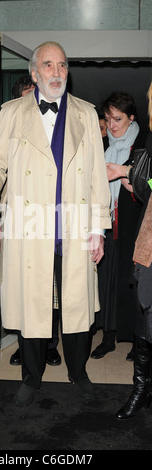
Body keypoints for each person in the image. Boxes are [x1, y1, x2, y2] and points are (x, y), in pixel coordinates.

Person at [0, 41, 111, 407]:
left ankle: (78, 371)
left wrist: (99, 229)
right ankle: (31, 377)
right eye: (48, 65)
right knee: (33, 305)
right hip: (30, 227)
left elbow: (98, 177)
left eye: (62, 65)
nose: (56, 72)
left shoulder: (86, 113)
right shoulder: (12, 112)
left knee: (77, 307)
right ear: (35, 73)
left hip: (74, 228)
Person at [0, 75, 61, 367]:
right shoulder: (0, 128)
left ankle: (50, 345)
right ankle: (25, 347)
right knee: (21, 290)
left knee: (49, 289)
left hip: (48, 222)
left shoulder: (55, 130)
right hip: (15, 222)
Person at [106, 82, 152, 419]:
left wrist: (127, 171)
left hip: (141, 233)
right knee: (145, 312)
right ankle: (141, 390)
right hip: (145, 240)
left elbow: (147, 181)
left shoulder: (140, 144)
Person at [91, 91, 146, 361]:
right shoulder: (103, 147)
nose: (112, 125)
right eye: (108, 119)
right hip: (107, 224)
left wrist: (131, 176)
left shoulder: (143, 145)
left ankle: (139, 341)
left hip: (135, 226)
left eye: (118, 119)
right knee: (108, 281)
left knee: (134, 284)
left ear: (132, 118)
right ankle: (108, 336)